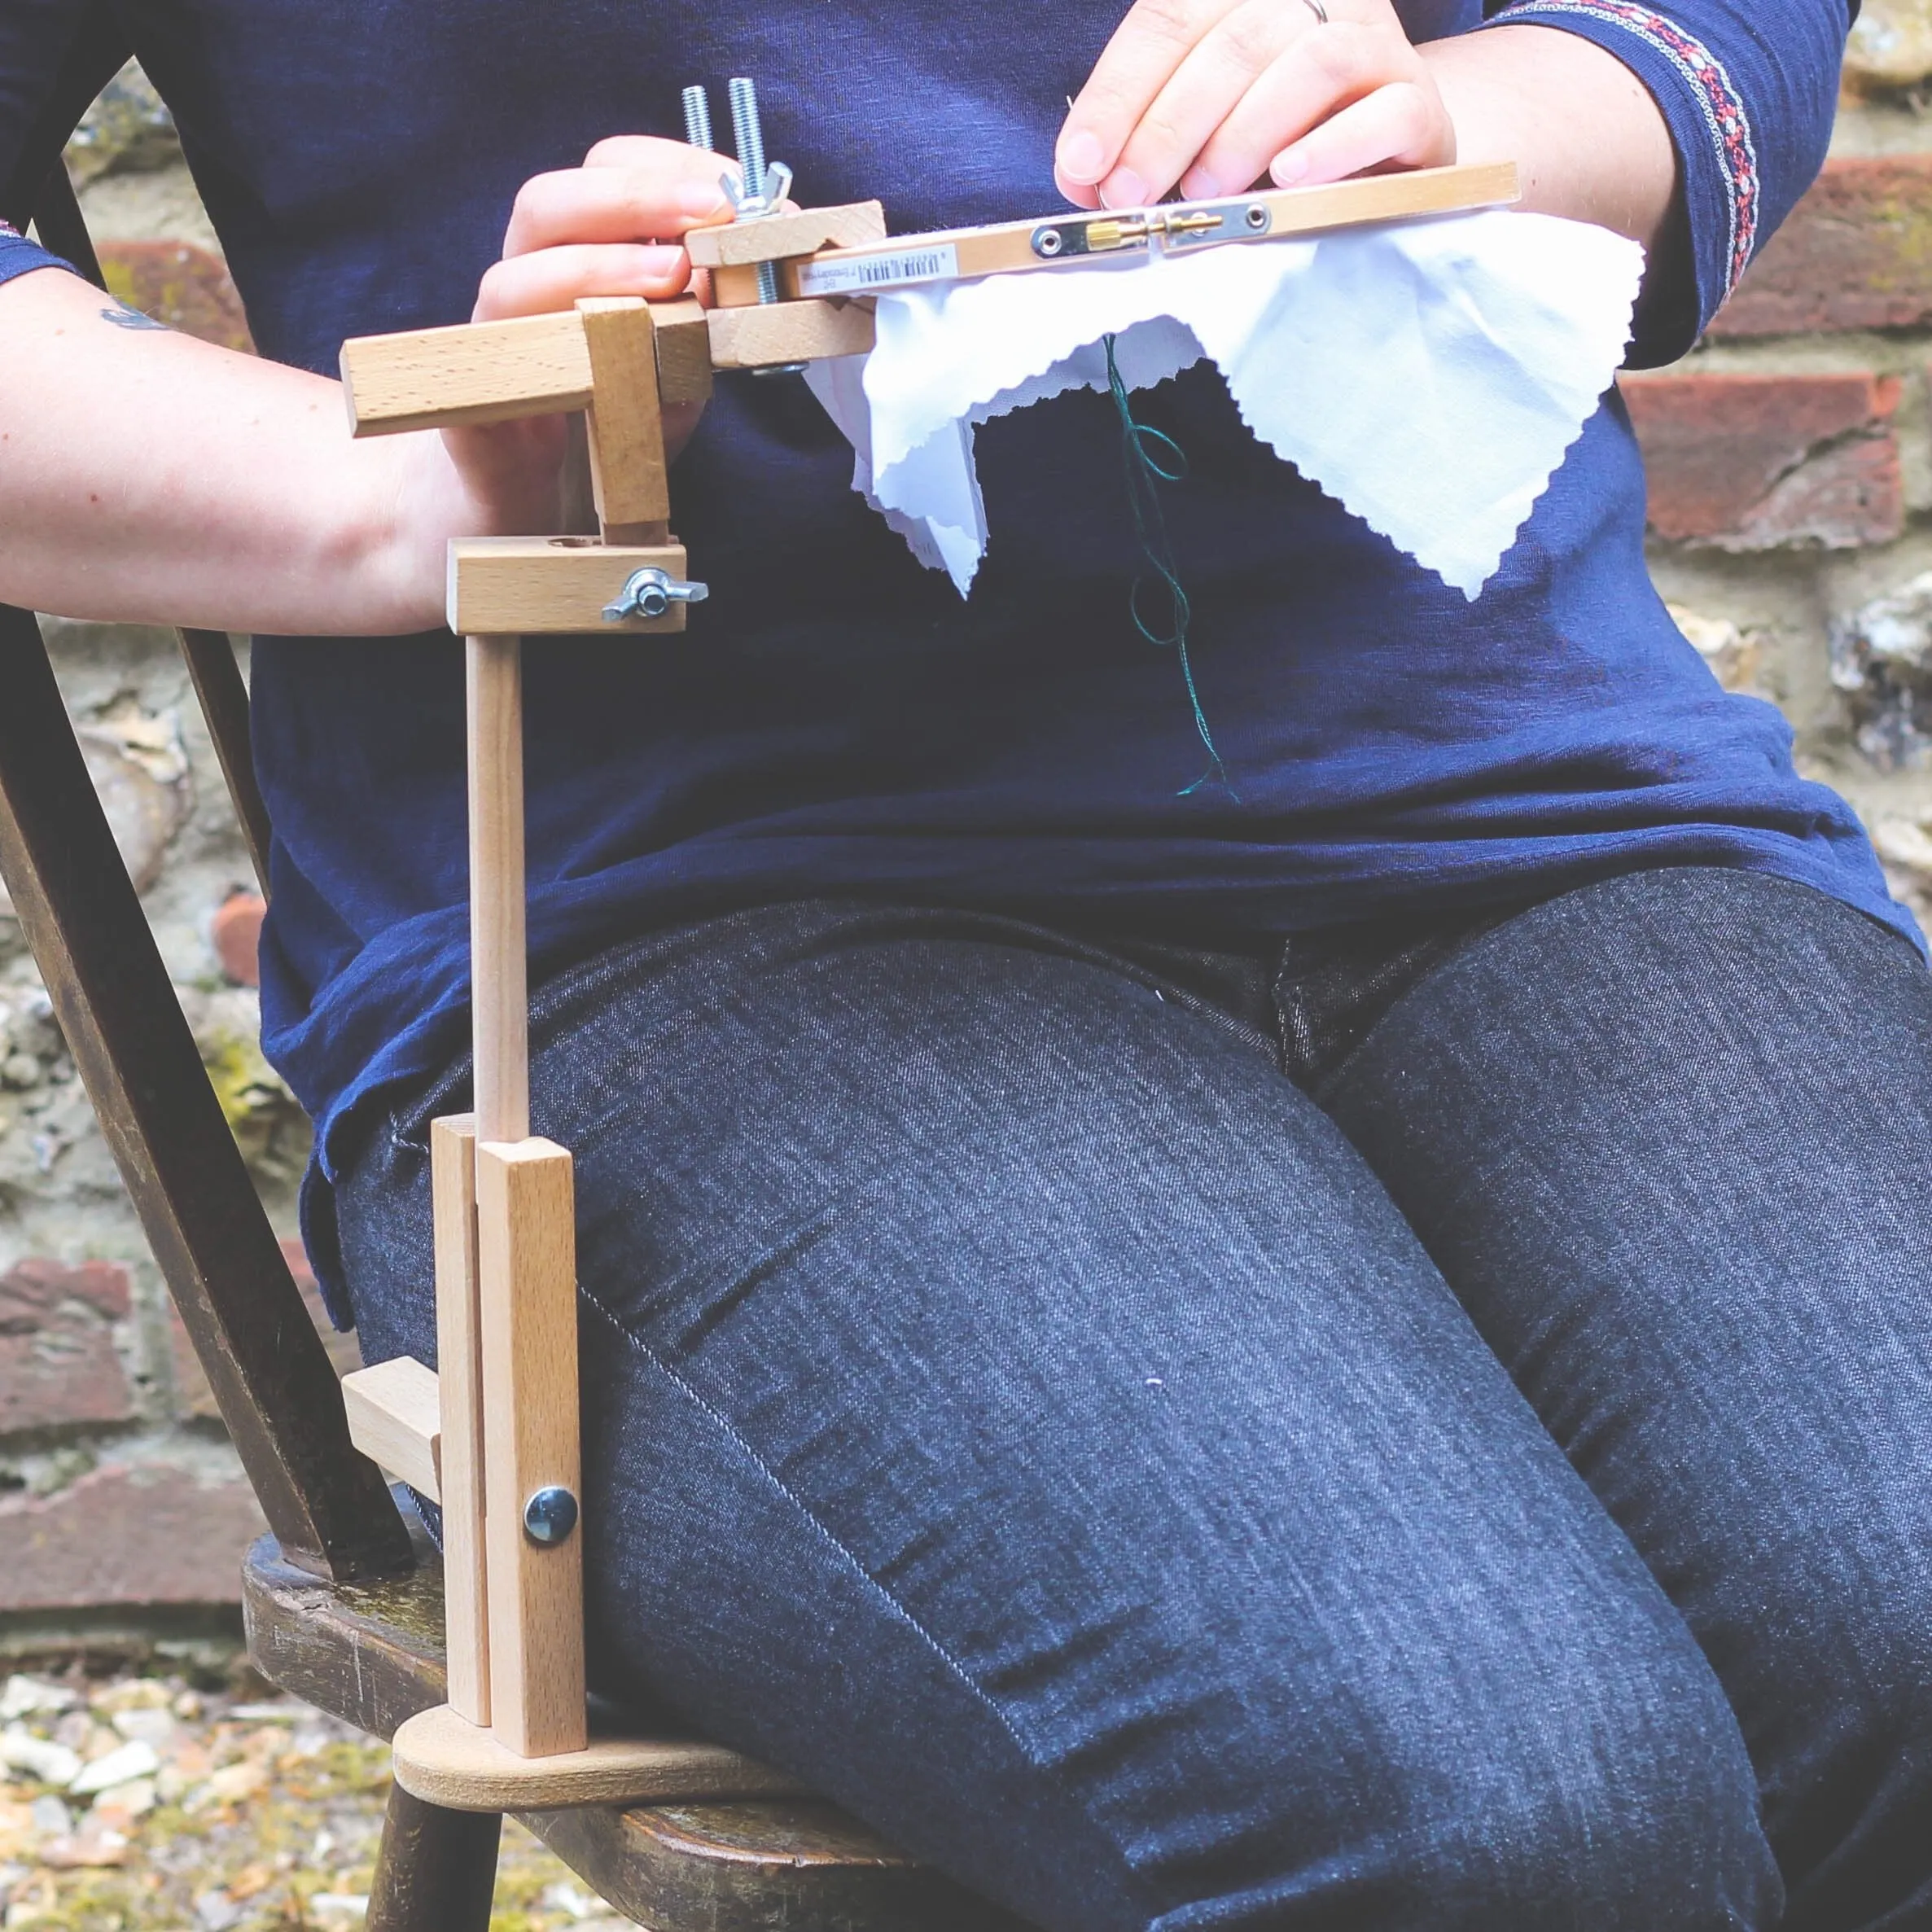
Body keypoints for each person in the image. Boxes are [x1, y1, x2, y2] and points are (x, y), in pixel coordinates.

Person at [3, 1, 1929, 1924]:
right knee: (1499, 1814)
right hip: (678, 916)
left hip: (1534, 800)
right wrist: (392, 487)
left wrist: (1461, 102)